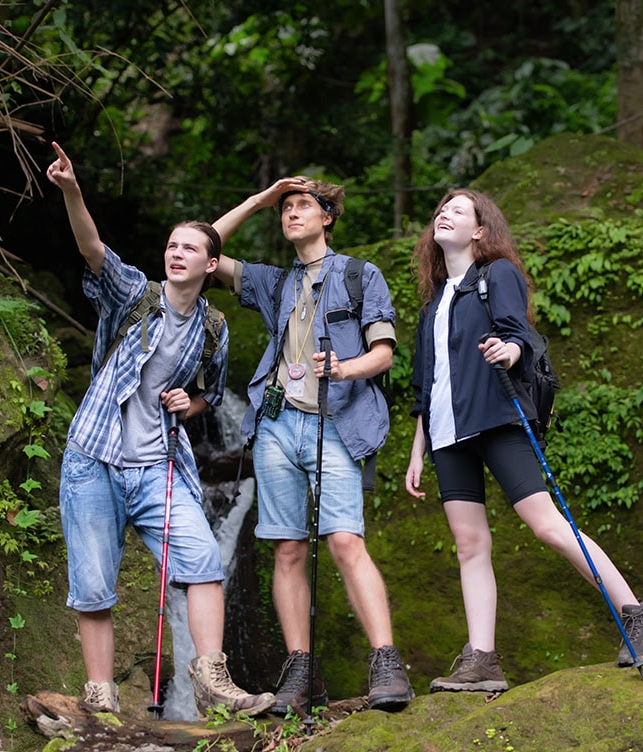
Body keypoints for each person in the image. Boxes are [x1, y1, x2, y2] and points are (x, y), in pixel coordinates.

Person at [404, 189, 643, 692]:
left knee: (546, 525)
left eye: (459, 211)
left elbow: (520, 334)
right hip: (445, 434)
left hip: (497, 418)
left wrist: (508, 350)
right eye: (442, 210)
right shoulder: (432, 304)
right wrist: (417, 449)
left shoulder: (495, 275)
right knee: (469, 545)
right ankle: (482, 660)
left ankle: (639, 617)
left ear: (480, 231)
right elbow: (426, 385)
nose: (445, 214)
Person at [46, 142, 275, 717]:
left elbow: (211, 396)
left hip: (158, 469)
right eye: (172, 245)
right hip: (93, 460)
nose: (177, 253)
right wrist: (72, 188)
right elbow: (93, 248)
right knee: (94, 585)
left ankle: (211, 681)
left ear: (209, 265)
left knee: (202, 564)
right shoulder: (135, 296)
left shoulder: (215, 329)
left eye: (190, 249)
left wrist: (188, 402)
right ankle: (100, 700)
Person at [207, 175, 414, 714]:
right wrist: (258, 199)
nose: (292, 214)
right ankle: (299, 670)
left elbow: (384, 352)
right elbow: (207, 250)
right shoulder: (272, 282)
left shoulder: (358, 275)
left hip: (337, 422)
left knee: (345, 542)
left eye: (304, 206)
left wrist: (344, 369)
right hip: (276, 425)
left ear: (327, 217)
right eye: (287, 208)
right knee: (288, 548)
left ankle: (386, 663)